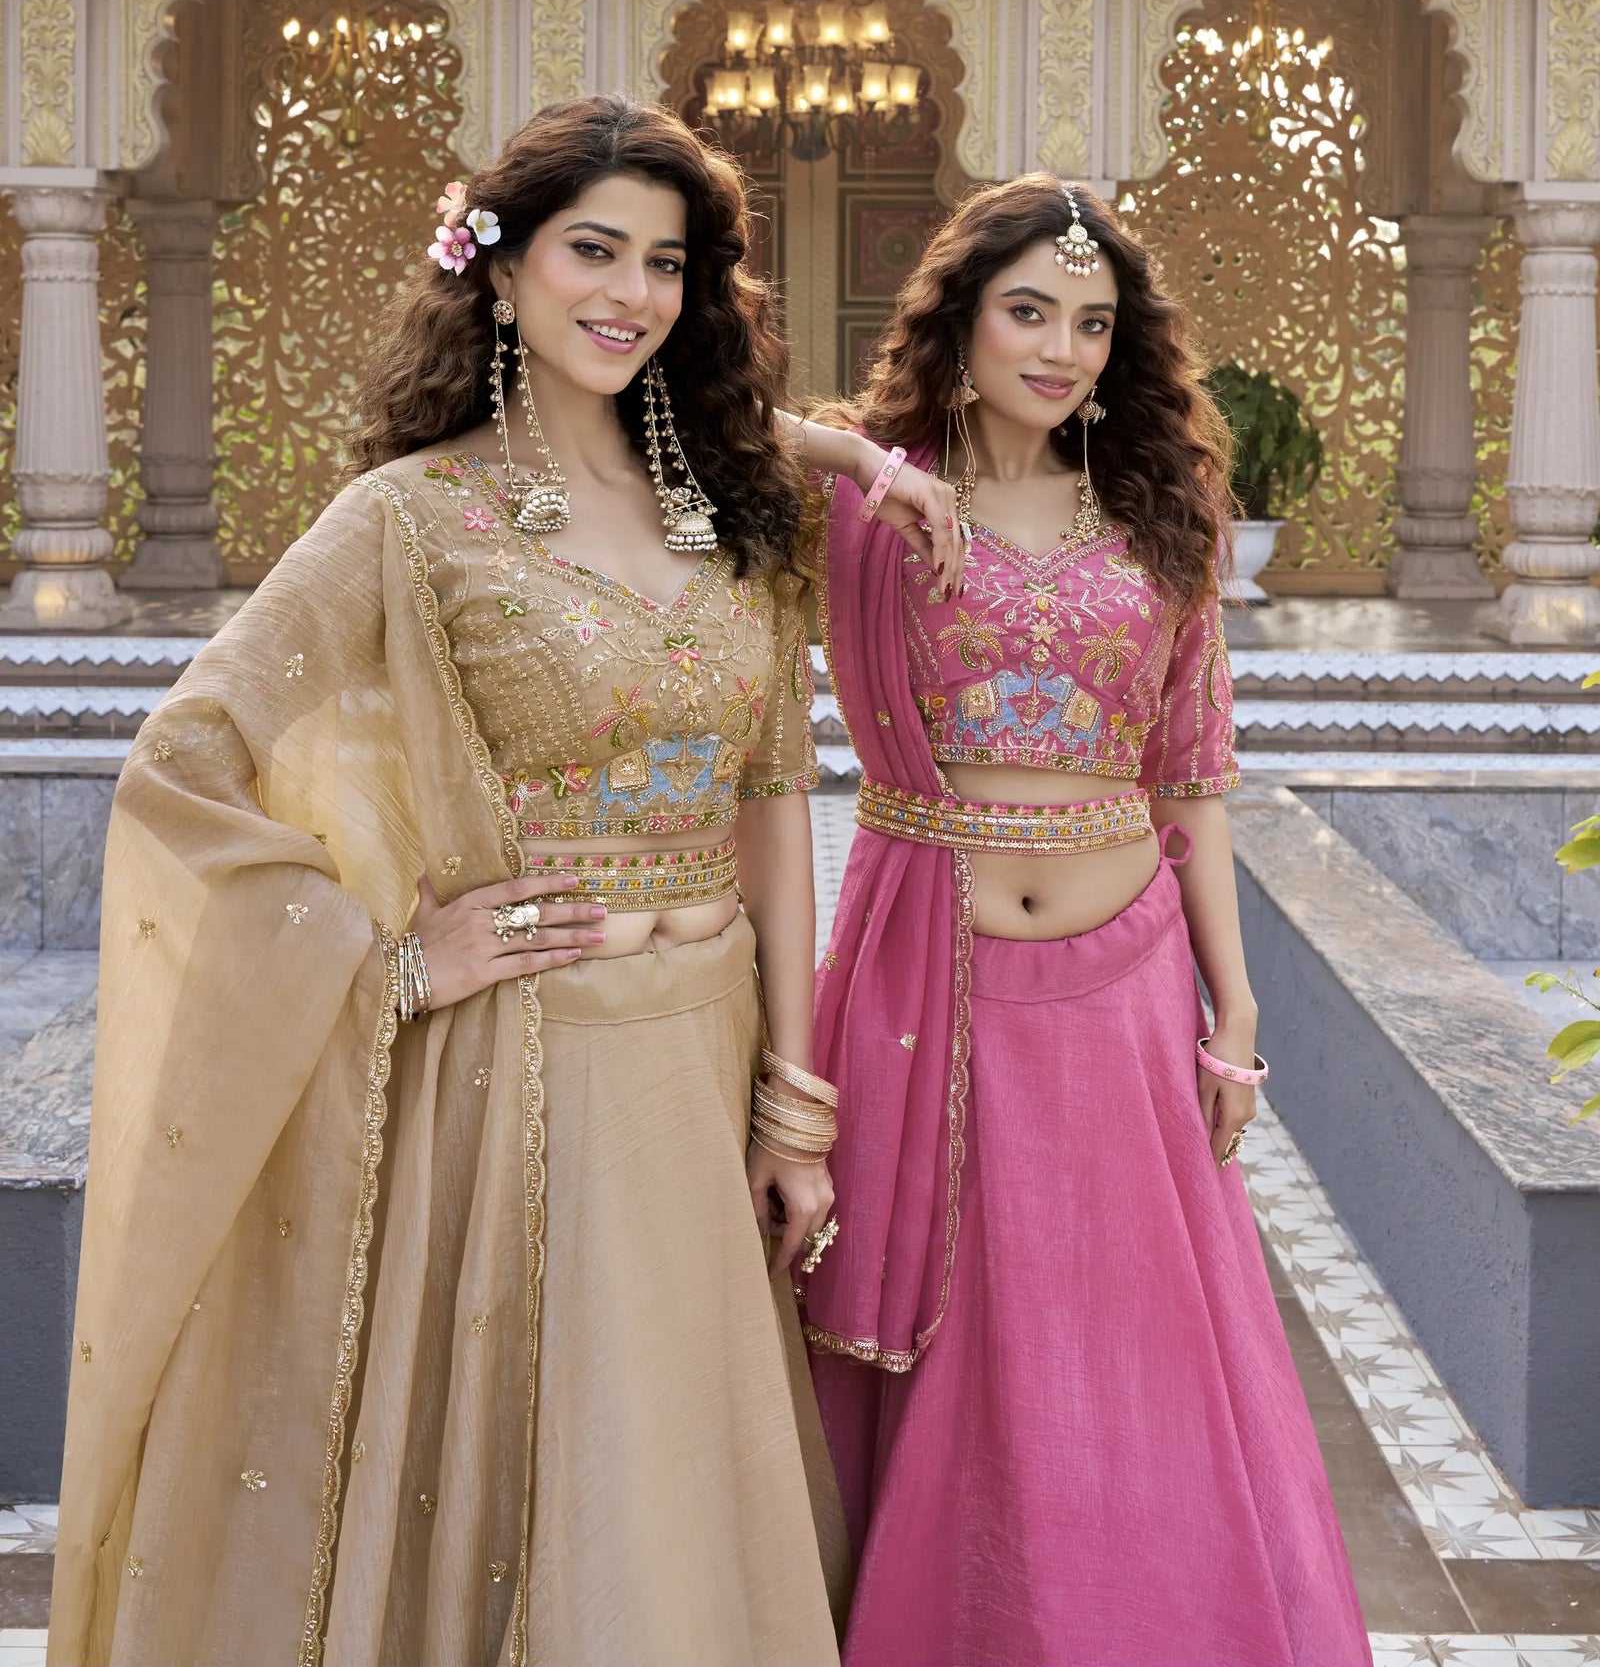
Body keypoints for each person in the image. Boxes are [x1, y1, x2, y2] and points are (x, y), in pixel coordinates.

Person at [49, 97, 854, 1667]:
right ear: (498, 272)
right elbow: (183, 761)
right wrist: (388, 963)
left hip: (701, 1058)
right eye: (591, 252)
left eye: (666, 264)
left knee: (685, 1492)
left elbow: (775, 804)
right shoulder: (410, 517)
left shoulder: (729, 513)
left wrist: (796, 1106)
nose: (630, 295)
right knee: (554, 1498)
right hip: (527, 1073)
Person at [793, 175, 1371, 1667]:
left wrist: (1234, 1008)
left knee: (1119, 1337)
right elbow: (695, 421)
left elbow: (1193, 775)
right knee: (953, 1334)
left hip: (1123, 985)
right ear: (961, 319)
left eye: (1094, 325)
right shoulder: (868, 502)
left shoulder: (1159, 516)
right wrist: (865, 454)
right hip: (927, 971)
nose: (1061, 350)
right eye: (1030, 311)